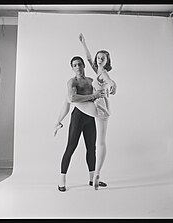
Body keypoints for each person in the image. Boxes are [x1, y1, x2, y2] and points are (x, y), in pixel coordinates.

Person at [54, 34, 117, 190]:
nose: (78, 67)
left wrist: (111, 85)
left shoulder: (90, 80)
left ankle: (92, 179)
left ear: (83, 66)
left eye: (80, 64)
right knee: (71, 147)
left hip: (91, 116)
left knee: (92, 147)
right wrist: (94, 95)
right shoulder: (72, 81)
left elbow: (102, 73)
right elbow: (72, 98)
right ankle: (61, 180)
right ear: (72, 67)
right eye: (75, 65)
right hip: (78, 117)